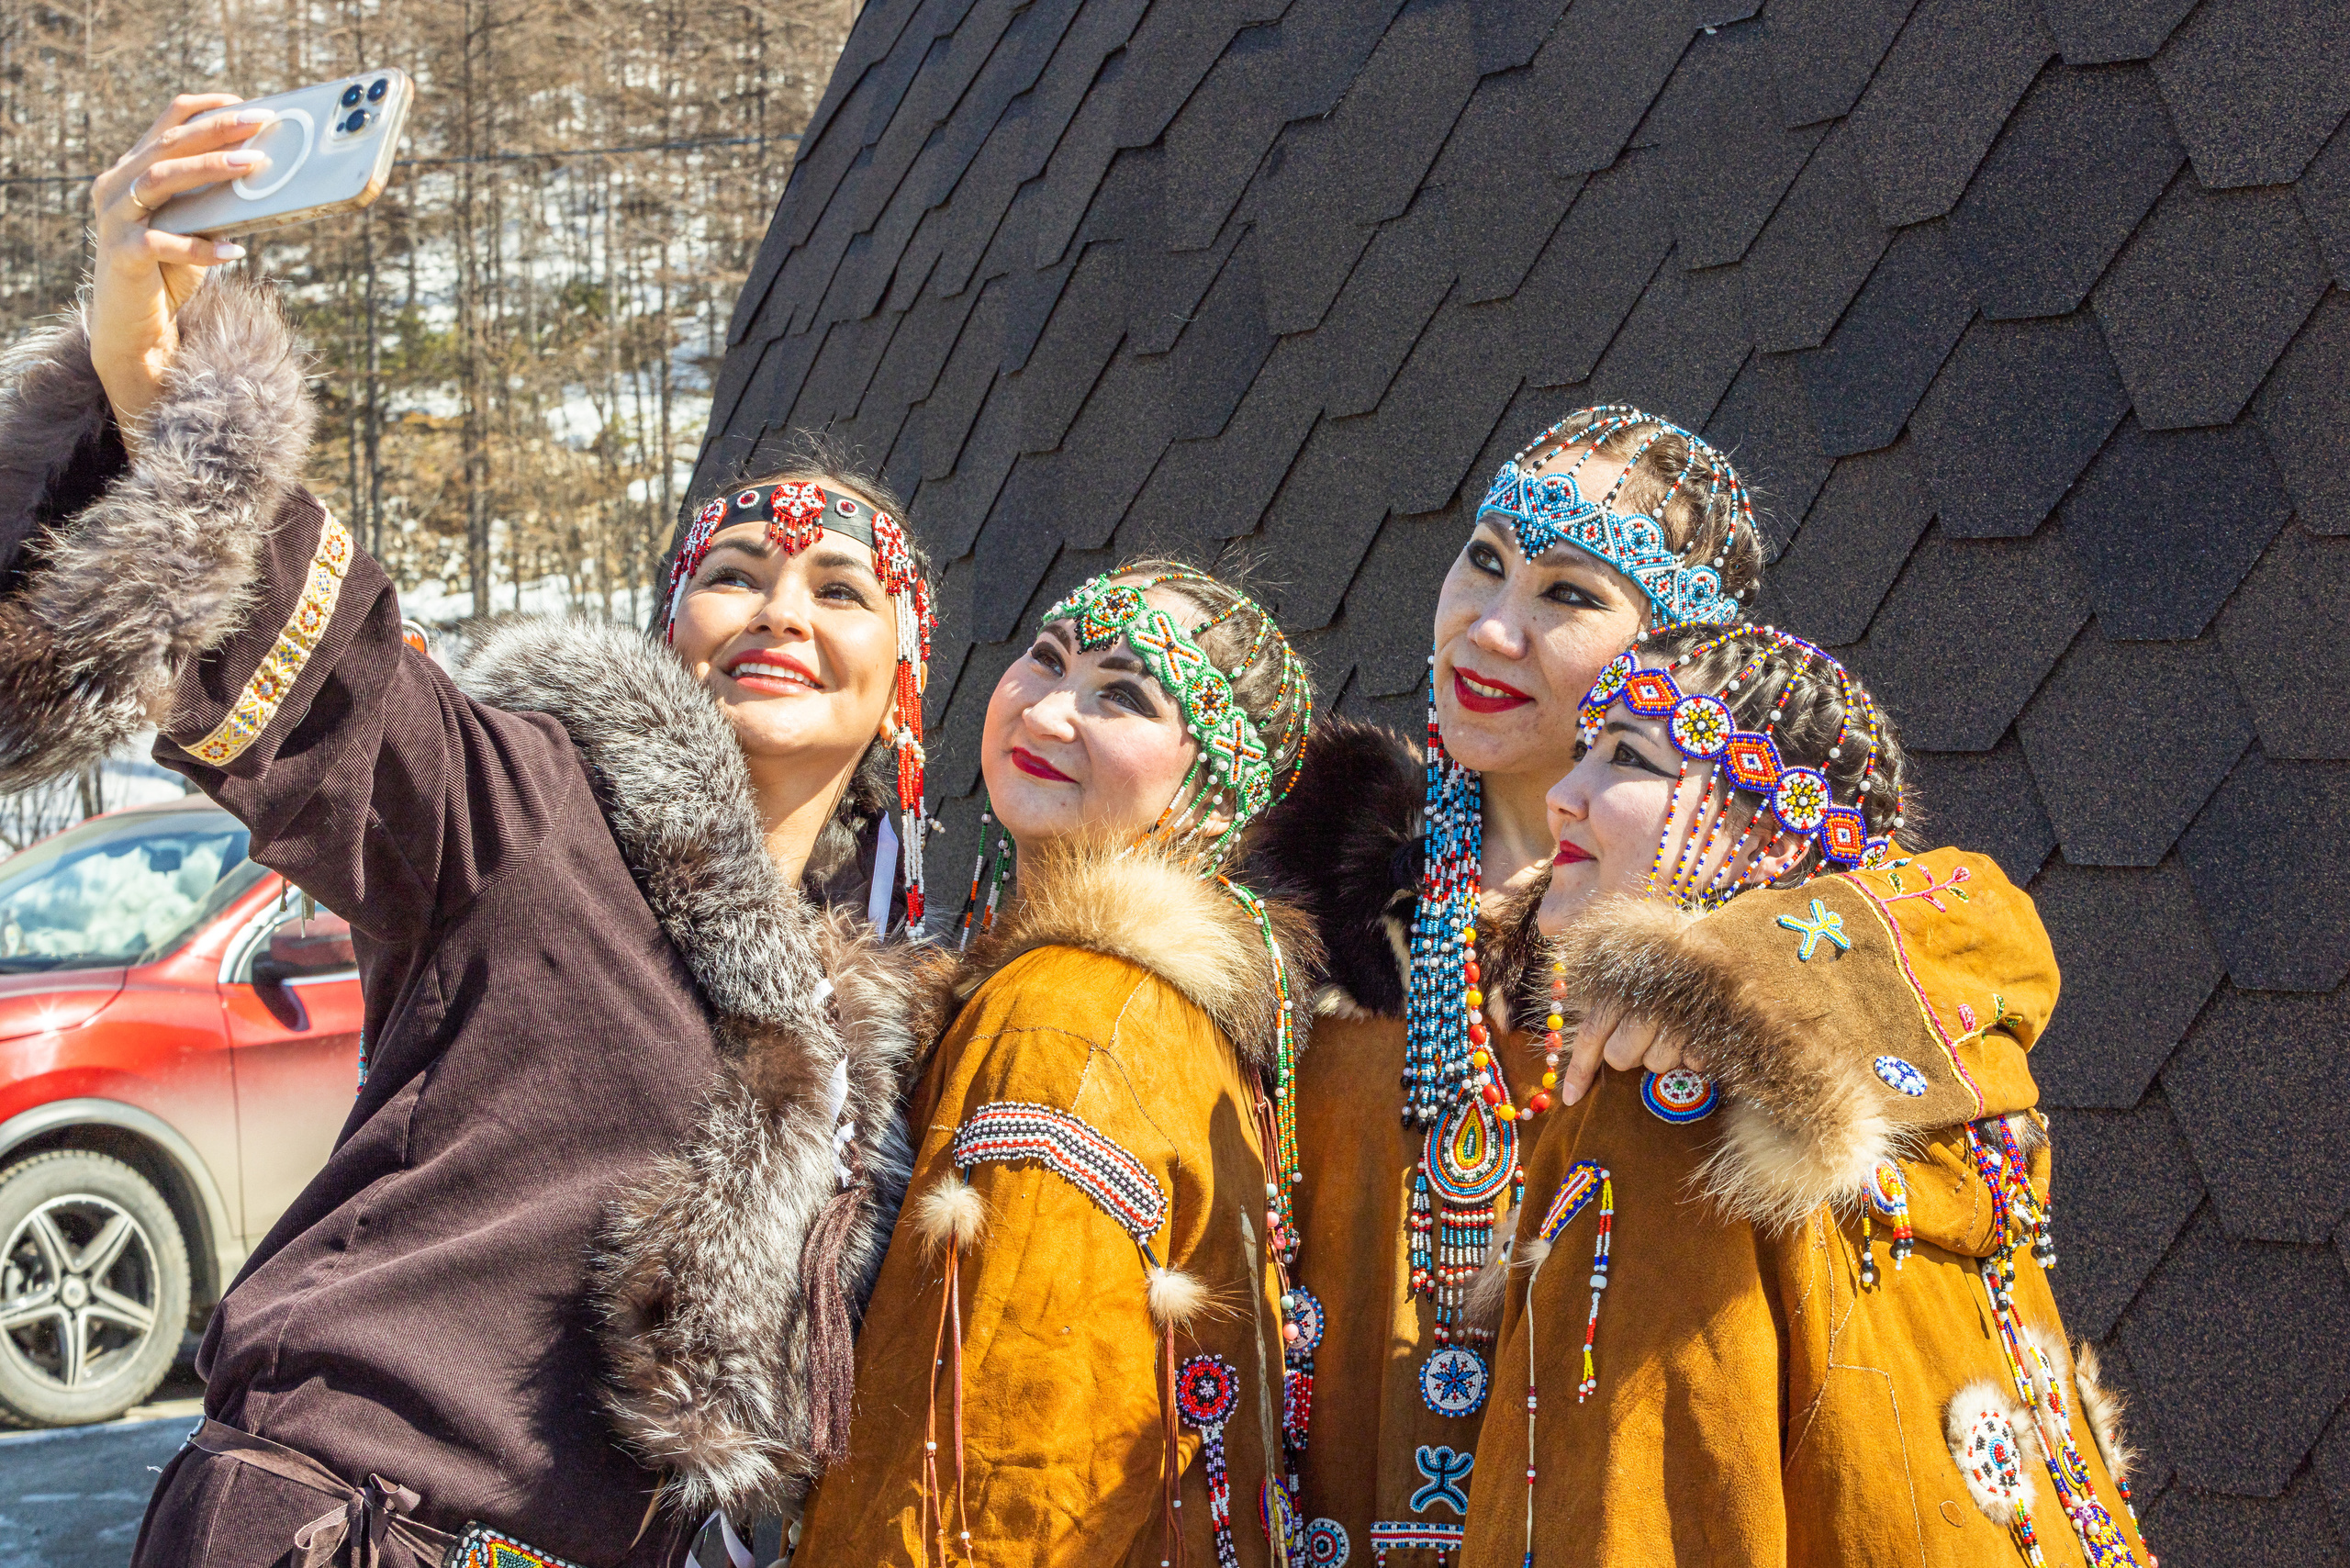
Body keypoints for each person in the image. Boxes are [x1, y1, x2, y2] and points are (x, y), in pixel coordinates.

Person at [0, 95, 941, 1568]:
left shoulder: (866, 1048)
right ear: (672, 630)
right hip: (342, 1522)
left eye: (839, 591)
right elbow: (330, 684)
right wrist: (149, 377)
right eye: (738, 573)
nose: (780, 612)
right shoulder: (528, 803)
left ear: (902, 700)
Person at [1459, 624, 2151, 1568]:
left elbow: (1641, 1509)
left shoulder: (1670, 1104)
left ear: (1768, 826)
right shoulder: (1958, 1096)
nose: (1562, 796)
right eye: (1581, 751)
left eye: (1624, 755)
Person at [1240, 407, 1763, 1563]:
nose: (1489, 626)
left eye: (1566, 595)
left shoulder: (1746, 944)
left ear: (1670, 656)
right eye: (1484, 563)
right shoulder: (1297, 873)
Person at [792, 564, 1318, 1567]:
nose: (1050, 709)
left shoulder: (1069, 1015)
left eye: (1121, 694)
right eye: (1045, 659)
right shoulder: (1150, 1007)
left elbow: (999, 1464)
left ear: (1210, 795)